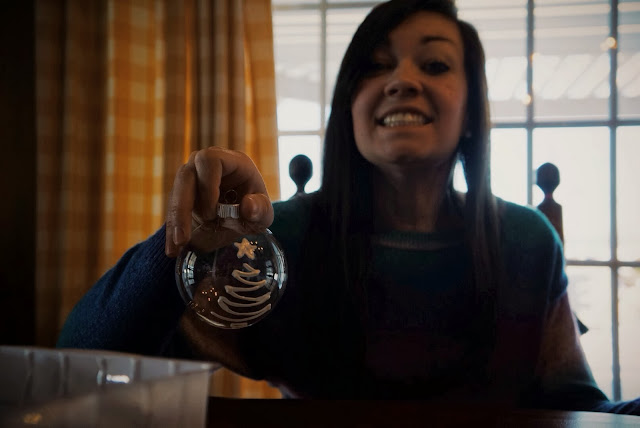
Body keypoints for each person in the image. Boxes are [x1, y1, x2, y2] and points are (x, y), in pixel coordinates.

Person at [57, 0, 639, 412]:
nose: (401, 81)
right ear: (349, 108)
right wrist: (183, 248)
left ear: (470, 111)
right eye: (376, 65)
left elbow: (577, 405)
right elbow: (81, 358)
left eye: (435, 64)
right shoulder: (277, 241)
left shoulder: (529, 240)